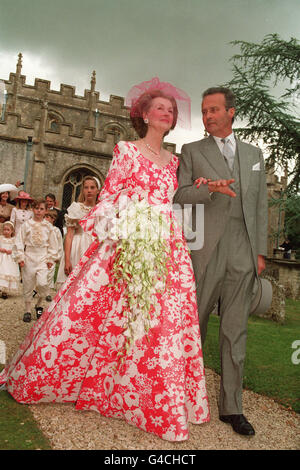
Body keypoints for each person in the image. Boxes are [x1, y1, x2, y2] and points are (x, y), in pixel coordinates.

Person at [0, 78, 217, 442]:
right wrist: (128, 223)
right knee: (104, 313)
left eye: (172, 110)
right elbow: (110, 196)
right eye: (160, 107)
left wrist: (203, 189)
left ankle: (148, 397)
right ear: (145, 114)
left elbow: (178, 202)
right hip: (128, 242)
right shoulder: (126, 151)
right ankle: (102, 385)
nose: (167, 112)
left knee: (162, 321)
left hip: (167, 246)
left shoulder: (175, 162)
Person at [174, 87, 268, 436]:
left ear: (231, 112)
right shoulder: (191, 151)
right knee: (193, 327)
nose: (208, 116)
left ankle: (232, 408)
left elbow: (260, 207)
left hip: (243, 253)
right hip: (204, 251)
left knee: (235, 332)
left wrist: (259, 253)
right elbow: (180, 196)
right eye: (203, 111)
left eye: (214, 109)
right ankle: (183, 398)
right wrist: (209, 188)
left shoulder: (255, 154)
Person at [13, 199, 58, 323]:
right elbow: (19, 241)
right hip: (29, 256)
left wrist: (50, 258)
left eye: (41, 209)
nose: (39, 211)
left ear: (45, 211)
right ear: (33, 209)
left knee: (43, 283)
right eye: (36, 208)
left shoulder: (48, 227)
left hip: (43, 257)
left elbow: (53, 244)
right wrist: (20, 257)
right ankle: (27, 310)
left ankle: (39, 304)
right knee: (28, 283)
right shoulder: (26, 225)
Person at [55, 176, 100, 288]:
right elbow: (69, 235)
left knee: (89, 285)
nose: (89, 190)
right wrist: (67, 260)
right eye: (86, 187)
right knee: (73, 285)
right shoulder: (76, 208)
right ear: (83, 190)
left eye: (92, 187)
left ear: (97, 190)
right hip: (77, 247)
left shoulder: (101, 209)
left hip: (94, 249)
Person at [44, 209, 64, 301]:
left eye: (47, 217)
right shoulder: (42, 229)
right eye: (45, 217)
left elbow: (60, 244)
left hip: (52, 255)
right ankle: (38, 289)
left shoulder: (56, 231)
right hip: (43, 254)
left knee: (50, 273)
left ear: (53, 219)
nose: (46, 219)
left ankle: (47, 292)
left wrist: (58, 256)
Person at [0, 221, 21, 299]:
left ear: (12, 231)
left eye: (8, 230)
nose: (6, 231)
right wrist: (1, 249)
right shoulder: (1, 238)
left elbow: (16, 249)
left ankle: (5, 291)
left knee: (8, 272)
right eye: (4, 230)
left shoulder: (14, 240)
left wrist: (11, 251)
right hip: (1, 258)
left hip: (9, 259)